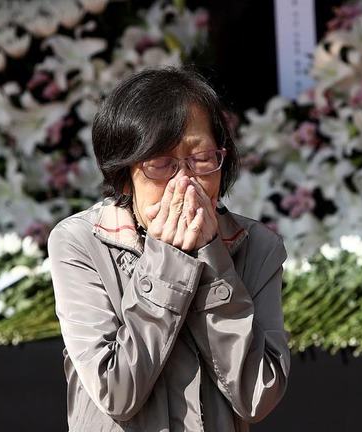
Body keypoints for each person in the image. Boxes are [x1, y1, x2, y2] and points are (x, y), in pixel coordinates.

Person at [47, 66, 290, 431]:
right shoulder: (79, 242)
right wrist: (169, 262)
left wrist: (212, 262)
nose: (185, 183)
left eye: (202, 159)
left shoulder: (258, 247)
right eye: (161, 164)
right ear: (124, 177)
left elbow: (257, 396)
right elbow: (116, 391)